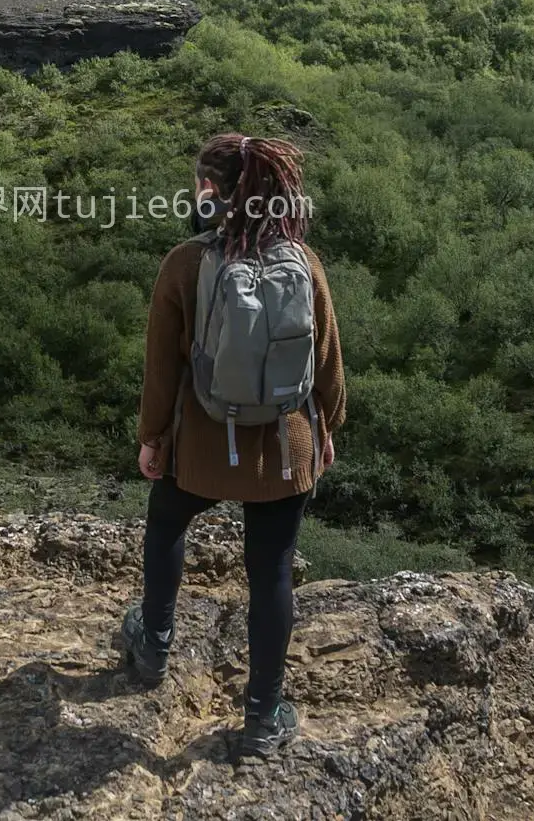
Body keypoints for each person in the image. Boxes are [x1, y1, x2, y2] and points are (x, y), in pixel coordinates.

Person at [122, 133, 347, 759]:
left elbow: (162, 369)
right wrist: (326, 426)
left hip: (200, 443)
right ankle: (262, 714)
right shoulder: (303, 260)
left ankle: (154, 646)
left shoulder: (185, 262)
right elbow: (327, 360)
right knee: (270, 571)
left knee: (166, 524)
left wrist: (152, 440)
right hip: (283, 447)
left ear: (211, 192)